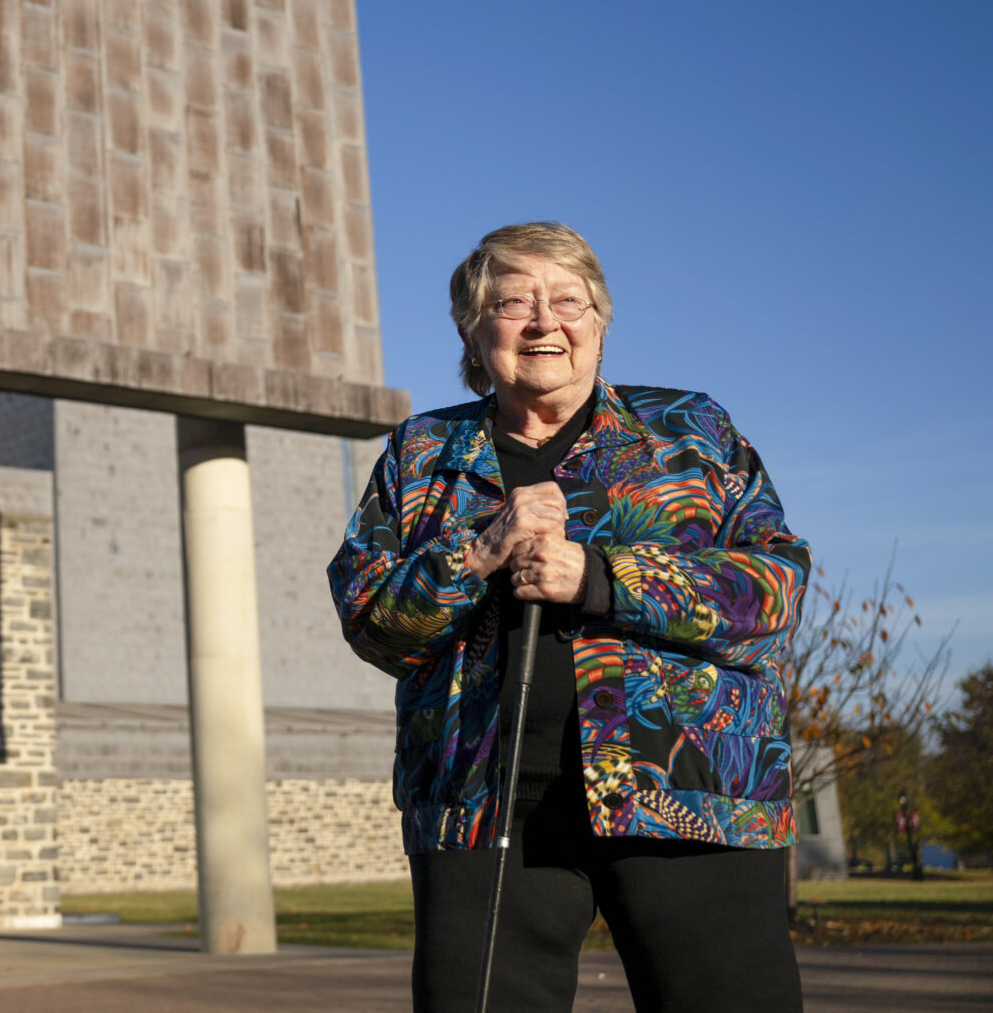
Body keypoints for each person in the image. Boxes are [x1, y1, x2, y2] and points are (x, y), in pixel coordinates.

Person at [328, 222, 809, 1013]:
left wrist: (601, 577)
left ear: (599, 321)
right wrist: (480, 552)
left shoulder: (690, 433)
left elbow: (773, 587)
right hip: (482, 806)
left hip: (691, 794)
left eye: (568, 301)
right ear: (473, 332)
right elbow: (370, 621)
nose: (545, 321)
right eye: (514, 302)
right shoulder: (421, 453)